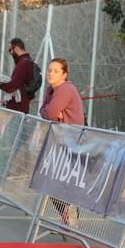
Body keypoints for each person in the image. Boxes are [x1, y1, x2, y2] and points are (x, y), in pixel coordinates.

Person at [39, 58, 85, 229]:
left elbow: (50, 112)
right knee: (51, 180)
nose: (51, 73)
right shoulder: (51, 89)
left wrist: (50, 112)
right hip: (60, 140)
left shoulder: (65, 89)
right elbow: (44, 110)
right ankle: (68, 216)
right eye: (49, 70)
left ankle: (72, 216)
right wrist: (48, 111)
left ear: (64, 74)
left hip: (71, 141)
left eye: (56, 71)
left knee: (60, 180)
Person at [0, 38, 35, 115]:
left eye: (10, 50)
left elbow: (12, 86)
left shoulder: (23, 63)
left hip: (17, 108)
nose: (10, 53)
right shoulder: (27, 61)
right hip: (21, 105)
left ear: (16, 48)